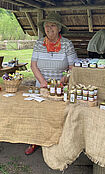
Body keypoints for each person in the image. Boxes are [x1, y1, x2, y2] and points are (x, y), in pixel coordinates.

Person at [25, 12, 77, 155]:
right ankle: (35, 141)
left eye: (52, 25)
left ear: (59, 28)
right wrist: (42, 82)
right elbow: (33, 65)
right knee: (38, 114)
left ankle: (57, 143)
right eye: (47, 26)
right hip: (41, 86)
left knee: (58, 115)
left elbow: (73, 67)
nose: (49, 28)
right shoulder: (38, 43)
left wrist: (62, 81)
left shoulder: (67, 44)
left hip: (60, 88)